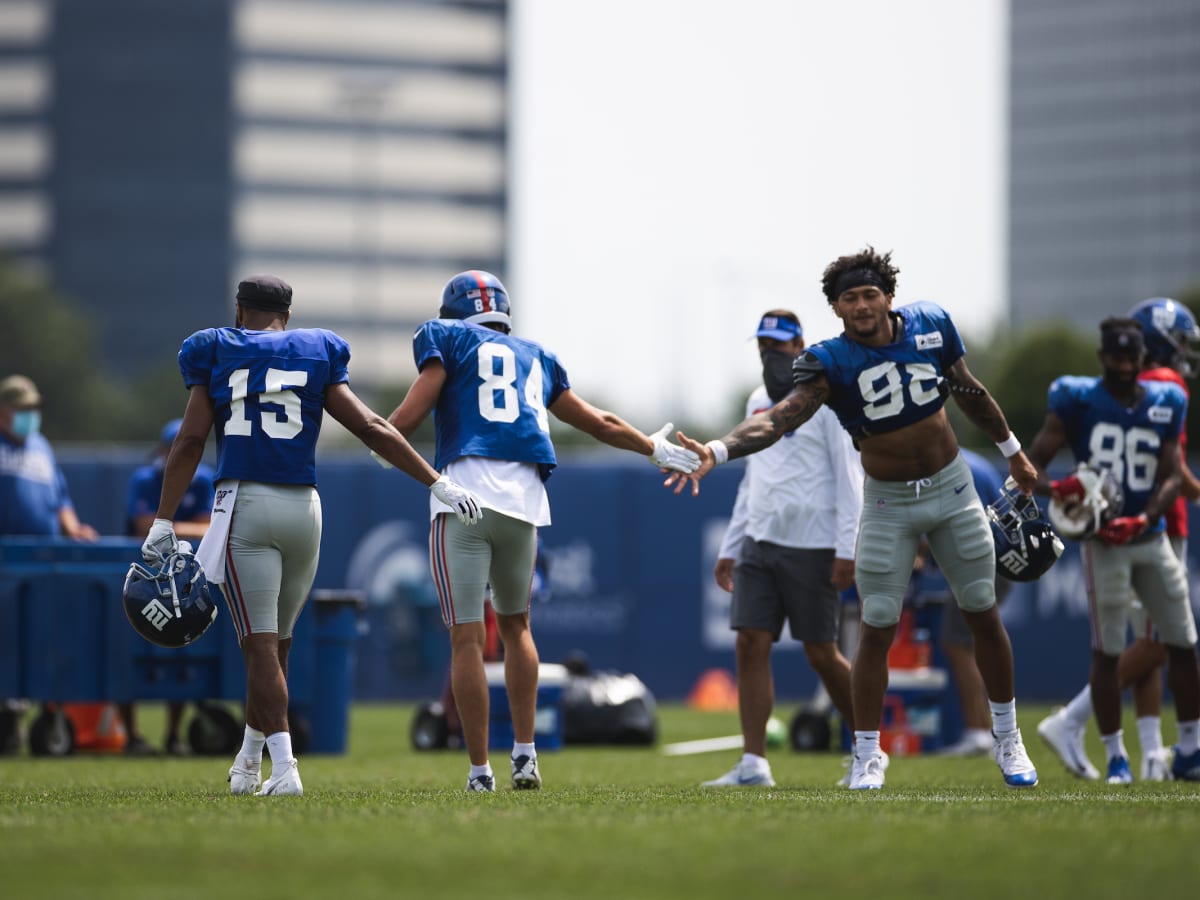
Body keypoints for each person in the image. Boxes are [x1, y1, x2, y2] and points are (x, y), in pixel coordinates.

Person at [668, 247, 1040, 790]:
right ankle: (867, 754)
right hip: (888, 499)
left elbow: (969, 389)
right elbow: (776, 421)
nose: (862, 305)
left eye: (870, 294)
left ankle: (1008, 739)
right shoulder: (831, 361)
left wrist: (1014, 450)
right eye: (850, 299)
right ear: (836, 309)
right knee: (876, 626)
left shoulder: (931, 324)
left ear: (889, 295)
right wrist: (719, 450)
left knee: (982, 609)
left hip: (951, 486)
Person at [141, 275, 484, 797]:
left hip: (246, 506)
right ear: (287, 315)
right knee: (276, 647)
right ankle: (248, 762)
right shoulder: (316, 349)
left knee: (258, 650)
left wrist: (164, 519)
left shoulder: (213, 348)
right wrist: (435, 481)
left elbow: (190, 438)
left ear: (240, 309)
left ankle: (285, 769)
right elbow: (371, 426)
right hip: (305, 508)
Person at [381, 270, 699, 792]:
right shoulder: (536, 356)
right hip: (525, 505)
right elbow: (599, 422)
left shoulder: (448, 337)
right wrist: (654, 448)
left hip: (463, 496)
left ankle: (480, 770)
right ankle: (525, 755)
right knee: (517, 629)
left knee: (465, 639)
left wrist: (381, 437)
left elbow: (411, 412)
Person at [1026, 316, 1200, 784]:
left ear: (1142, 359)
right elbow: (1031, 467)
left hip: (1150, 535)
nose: (1124, 366)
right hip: (1104, 543)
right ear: (1102, 358)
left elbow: (1169, 475)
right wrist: (1061, 490)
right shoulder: (1078, 399)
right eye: (1116, 358)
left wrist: (1145, 517)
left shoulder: (1168, 399)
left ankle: (1188, 749)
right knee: (1108, 651)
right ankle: (1117, 757)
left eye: (1131, 358)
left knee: (1182, 643)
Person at [702, 310, 863, 788]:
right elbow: (754, 480)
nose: (770, 353)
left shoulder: (828, 401)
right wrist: (732, 545)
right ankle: (754, 764)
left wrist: (846, 548)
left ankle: (866, 748)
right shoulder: (757, 401)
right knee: (749, 644)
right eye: (763, 345)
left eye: (779, 344)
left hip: (813, 543)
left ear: (800, 345)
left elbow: (849, 477)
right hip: (759, 540)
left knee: (821, 652)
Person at [0, 374, 100, 752]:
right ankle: (9, 719)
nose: (30, 416)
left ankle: (43, 713)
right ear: (4, 411)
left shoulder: (40, 447)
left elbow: (60, 499)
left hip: (43, 562)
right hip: (6, 562)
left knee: (42, 642)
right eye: (22, 410)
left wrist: (74, 529)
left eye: (32, 409)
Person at [121, 418, 217, 755]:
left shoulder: (204, 480)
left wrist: (169, 527)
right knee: (129, 654)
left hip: (182, 579)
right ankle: (132, 735)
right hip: (144, 578)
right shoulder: (146, 478)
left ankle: (173, 735)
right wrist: (181, 528)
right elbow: (142, 524)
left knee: (182, 654)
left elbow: (210, 528)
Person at [933, 447, 1013, 757]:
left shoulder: (945, 463)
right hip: (1001, 559)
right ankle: (988, 731)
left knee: (960, 643)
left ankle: (981, 732)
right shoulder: (978, 463)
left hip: (983, 562)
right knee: (974, 640)